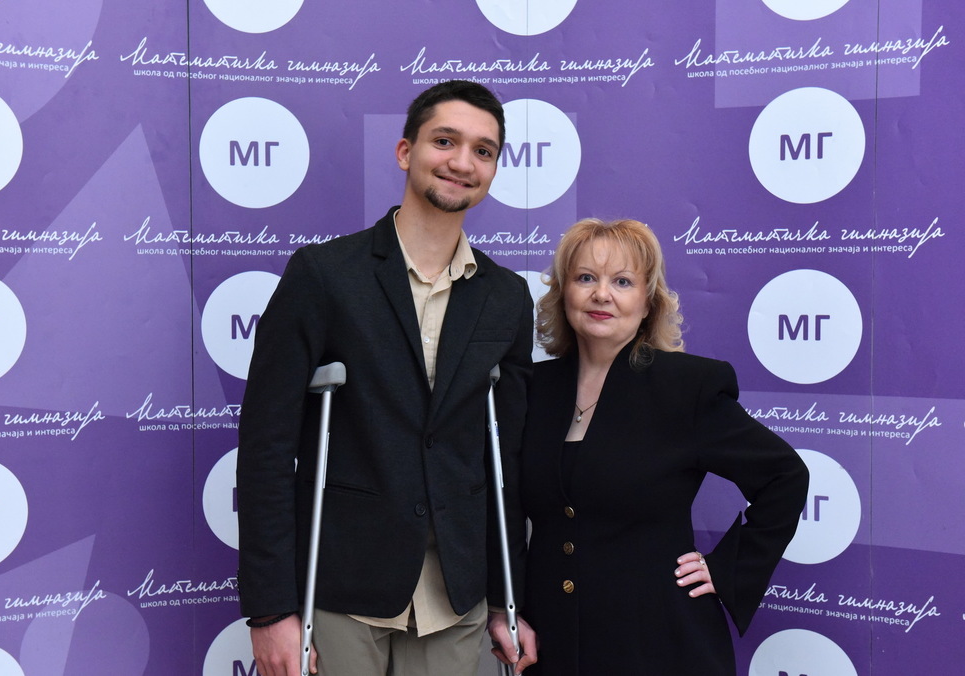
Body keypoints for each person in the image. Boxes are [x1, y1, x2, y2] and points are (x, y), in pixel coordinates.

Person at [236, 80, 538, 676]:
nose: (462, 162)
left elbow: (505, 464)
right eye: (445, 141)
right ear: (406, 152)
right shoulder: (324, 275)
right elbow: (267, 447)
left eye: (483, 151)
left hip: (455, 593)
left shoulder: (506, 297)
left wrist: (509, 598)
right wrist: (270, 610)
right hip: (343, 583)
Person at [518, 218, 809, 675]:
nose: (601, 294)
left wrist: (728, 567)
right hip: (554, 642)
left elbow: (785, 476)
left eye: (622, 282)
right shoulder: (534, 388)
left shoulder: (687, 387)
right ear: (563, 292)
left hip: (660, 643)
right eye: (585, 278)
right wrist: (511, 607)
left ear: (648, 301)